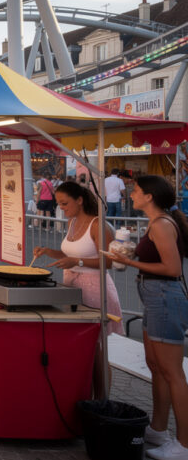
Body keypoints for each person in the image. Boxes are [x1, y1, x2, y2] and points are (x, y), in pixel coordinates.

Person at [106, 176, 188, 458]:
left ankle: (184, 444)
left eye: (137, 191)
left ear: (150, 196)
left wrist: (129, 261)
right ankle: (158, 428)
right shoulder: (157, 223)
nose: (131, 195)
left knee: (172, 372)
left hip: (164, 297)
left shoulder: (163, 224)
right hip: (154, 297)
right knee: (156, 366)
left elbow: (172, 267)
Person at [33, 182, 123, 334]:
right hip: (71, 287)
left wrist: (77, 262)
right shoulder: (72, 222)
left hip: (95, 289)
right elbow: (71, 255)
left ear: (79, 200)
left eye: (65, 203)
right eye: (58, 204)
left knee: (96, 338)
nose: (61, 207)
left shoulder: (97, 225)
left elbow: (109, 261)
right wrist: (48, 251)